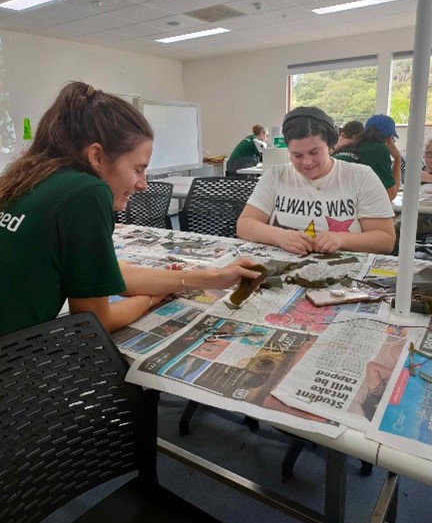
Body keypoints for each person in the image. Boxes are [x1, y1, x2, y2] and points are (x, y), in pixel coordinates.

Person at [0, 81, 260, 337]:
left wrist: (212, 277)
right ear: (97, 157)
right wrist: (148, 300)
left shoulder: (28, 177)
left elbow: (103, 275)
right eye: (138, 169)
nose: (143, 185)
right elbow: (92, 323)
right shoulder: (87, 192)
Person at [236, 106, 396, 256]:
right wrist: (280, 236)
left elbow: (385, 240)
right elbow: (244, 225)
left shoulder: (360, 176)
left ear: (330, 146)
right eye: (297, 155)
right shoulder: (276, 175)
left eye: (314, 152)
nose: (307, 162)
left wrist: (341, 239)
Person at [333, 114, 401, 201]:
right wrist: (397, 158)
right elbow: (389, 196)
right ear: (389, 139)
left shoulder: (350, 146)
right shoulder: (378, 149)